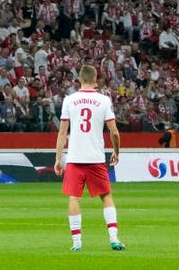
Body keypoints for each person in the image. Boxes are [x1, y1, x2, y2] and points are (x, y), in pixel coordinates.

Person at [54, 64, 125, 252]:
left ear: (79, 79)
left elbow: (62, 133)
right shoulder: (103, 100)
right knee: (106, 197)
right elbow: (114, 132)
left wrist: (58, 158)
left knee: (74, 198)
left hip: (75, 158)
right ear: (95, 80)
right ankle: (114, 239)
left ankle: (77, 243)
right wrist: (116, 152)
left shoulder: (69, 100)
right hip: (95, 158)